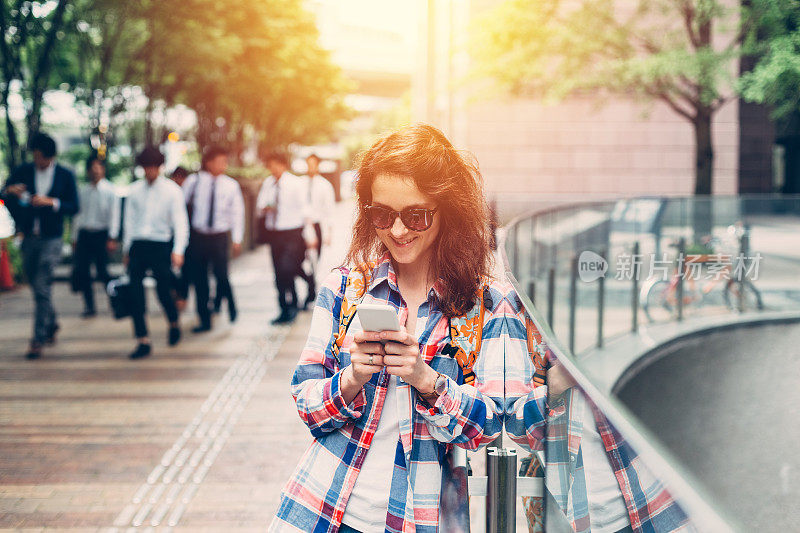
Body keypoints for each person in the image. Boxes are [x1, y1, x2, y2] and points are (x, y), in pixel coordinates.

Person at [270, 124, 510, 532]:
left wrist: (426, 379)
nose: (398, 231)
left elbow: (489, 427)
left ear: (446, 208)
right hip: (324, 509)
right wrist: (352, 377)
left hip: (425, 518)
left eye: (416, 215)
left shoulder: (486, 304)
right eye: (382, 214)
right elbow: (308, 405)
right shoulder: (345, 287)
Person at [0, 133, 79, 359]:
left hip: (52, 238)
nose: (37, 161)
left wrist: (51, 202)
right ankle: (51, 322)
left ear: (50, 156)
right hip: (28, 237)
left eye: (40, 157)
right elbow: (3, 192)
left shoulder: (65, 175)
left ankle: (37, 338)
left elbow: (73, 206)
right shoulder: (24, 171)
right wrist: (10, 191)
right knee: (37, 286)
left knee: (42, 284)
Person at [123, 146, 189, 359]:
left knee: (163, 290)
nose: (149, 172)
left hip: (161, 245)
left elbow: (180, 223)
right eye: (146, 168)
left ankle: (173, 322)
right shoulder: (134, 190)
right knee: (134, 293)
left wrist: (178, 250)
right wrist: (127, 249)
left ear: (159, 167)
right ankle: (143, 339)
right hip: (138, 246)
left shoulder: (172, 191)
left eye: (153, 167)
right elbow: (129, 222)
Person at [182, 146, 244, 331]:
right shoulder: (193, 182)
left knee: (221, 275)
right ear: (208, 162)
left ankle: (231, 304)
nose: (223, 165)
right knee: (200, 280)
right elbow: (181, 207)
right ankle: (204, 320)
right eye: (219, 161)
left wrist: (237, 239)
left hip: (219, 237)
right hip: (198, 237)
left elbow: (237, 214)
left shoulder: (231, 185)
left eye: (225, 161)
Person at [256, 153, 307, 324]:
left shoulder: (295, 183)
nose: (273, 169)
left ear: (283, 165)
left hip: (292, 232)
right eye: (270, 165)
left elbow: (304, 208)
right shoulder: (268, 184)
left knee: (287, 268)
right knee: (278, 273)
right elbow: (259, 207)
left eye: (276, 165)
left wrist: (309, 233)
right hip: (274, 234)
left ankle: (293, 302)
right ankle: (284, 308)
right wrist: (266, 208)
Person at [71, 153, 117, 318]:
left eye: (98, 167)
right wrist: (74, 238)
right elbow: (77, 216)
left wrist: (112, 237)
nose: (95, 171)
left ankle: (114, 301)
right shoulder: (83, 191)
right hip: (85, 235)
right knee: (83, 272)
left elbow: (114, 215)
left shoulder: (110, 191)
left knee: (103, 271)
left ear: (103, 169)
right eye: (92, 168)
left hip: (101, 235)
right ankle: (89, 306)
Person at [169, 166, 191, 311]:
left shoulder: (189, 194)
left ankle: (182, 296)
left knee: (186, 270)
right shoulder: (170, 194)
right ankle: (175, 295)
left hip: (187, 238)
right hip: (169, 237)